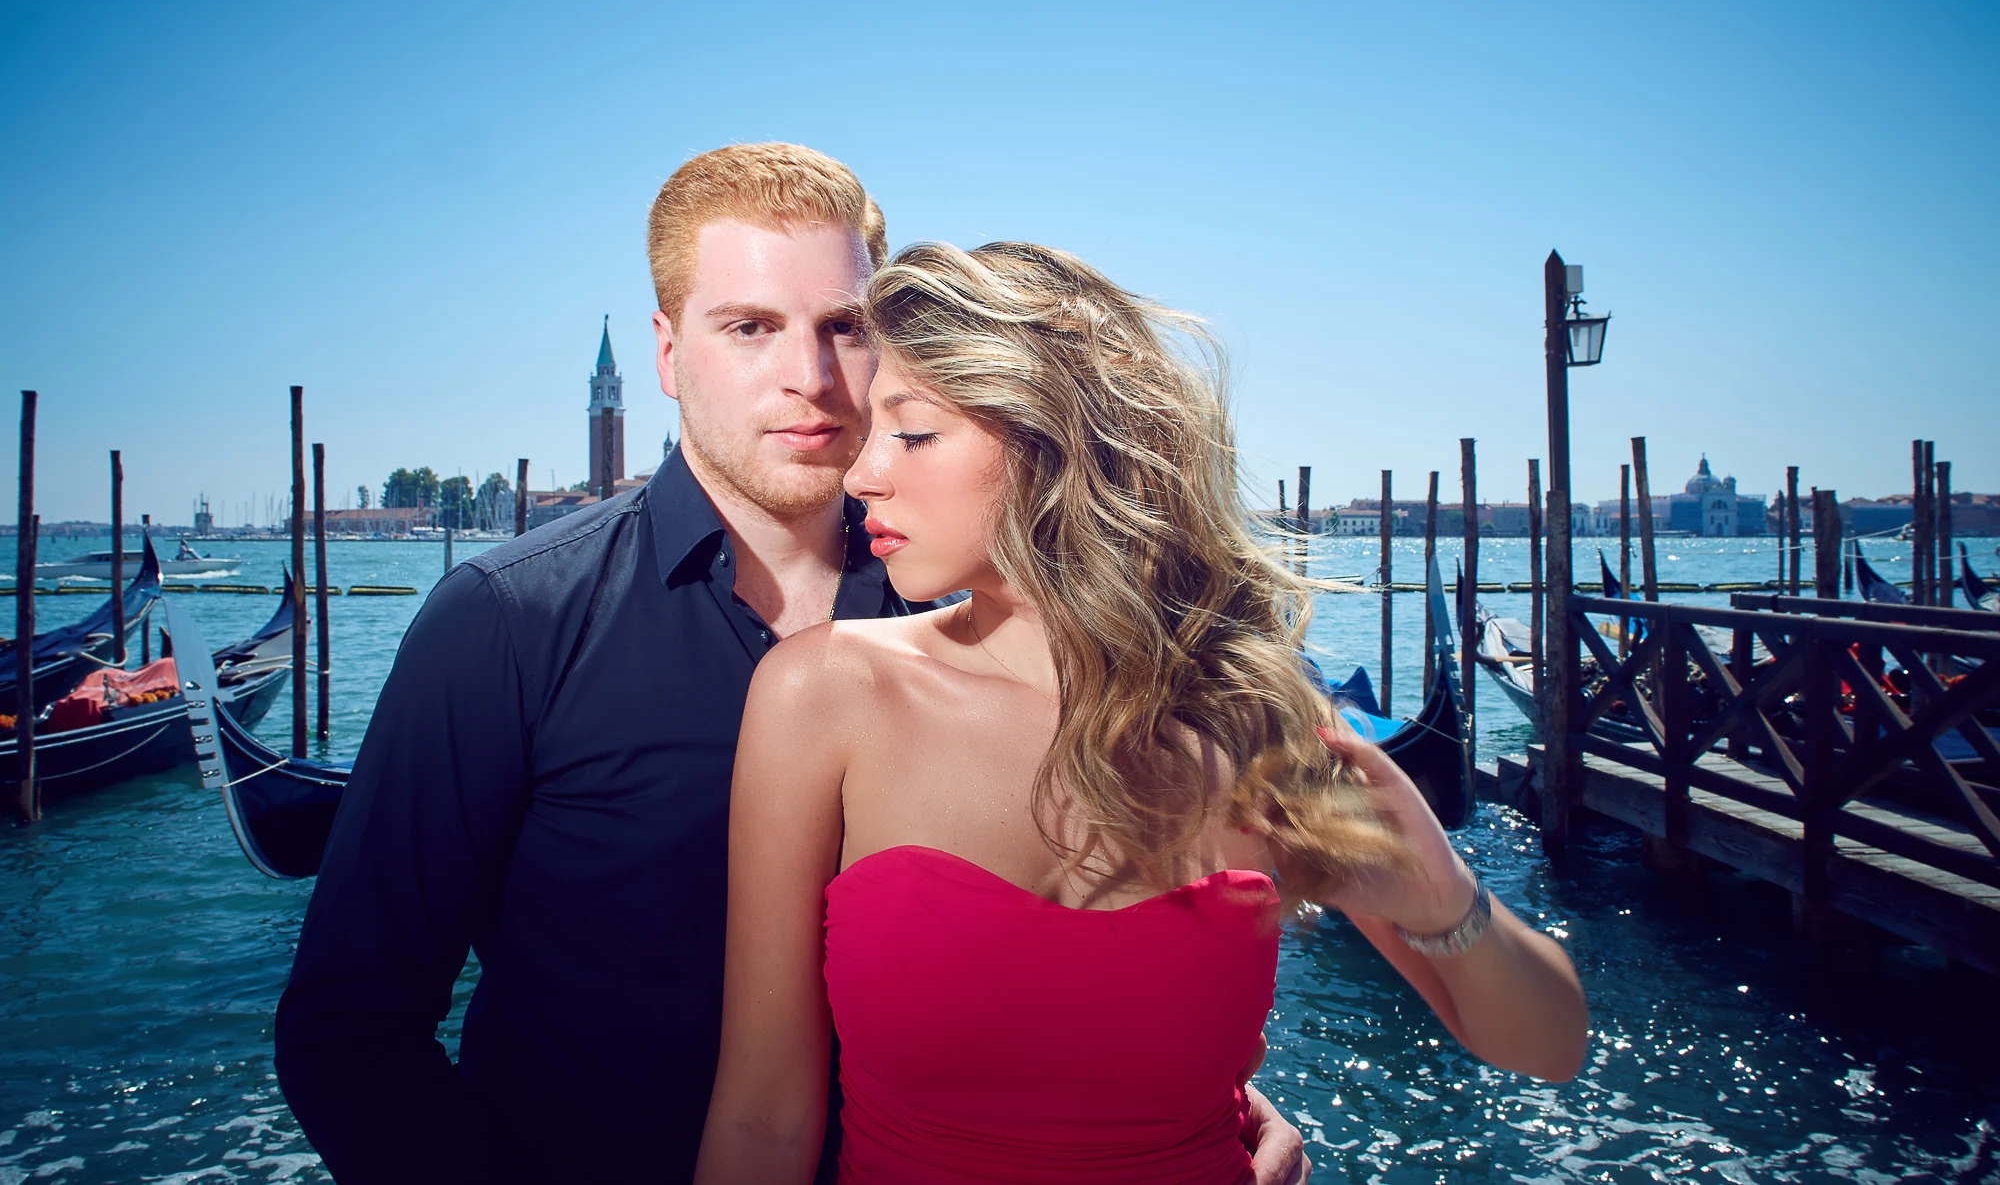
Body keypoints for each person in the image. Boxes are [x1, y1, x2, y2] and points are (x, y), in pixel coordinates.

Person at [273, 145, 1306, 1184]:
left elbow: (1061, 953)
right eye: (750, 328)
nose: (808, 379)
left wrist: (1181, 1099)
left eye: (844, 328)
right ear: (670, 353)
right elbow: (350, 1032)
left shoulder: (978, 602)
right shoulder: (504, 621)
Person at [695, 242, 1590, 1184]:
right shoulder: (822, 694)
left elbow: (1549, 1044)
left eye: (911, 433)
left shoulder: (1253, 725)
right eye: (868, 432)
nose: (861, 473)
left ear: (1055, 442)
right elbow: (763, 1122)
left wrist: (1444, 897)